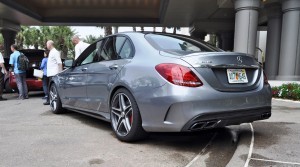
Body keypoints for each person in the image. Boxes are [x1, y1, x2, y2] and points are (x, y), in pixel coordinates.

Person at [44, 40, 63, 105]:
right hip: (50, 74)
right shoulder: (51, 52)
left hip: (54, 74)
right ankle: (50, 100)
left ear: (50, 44)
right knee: (51, 89)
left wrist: (60, 73)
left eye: (47, 44)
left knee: (54, 89)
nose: (46, 46)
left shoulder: (55, 52)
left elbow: (59, 62)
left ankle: (55, 102)